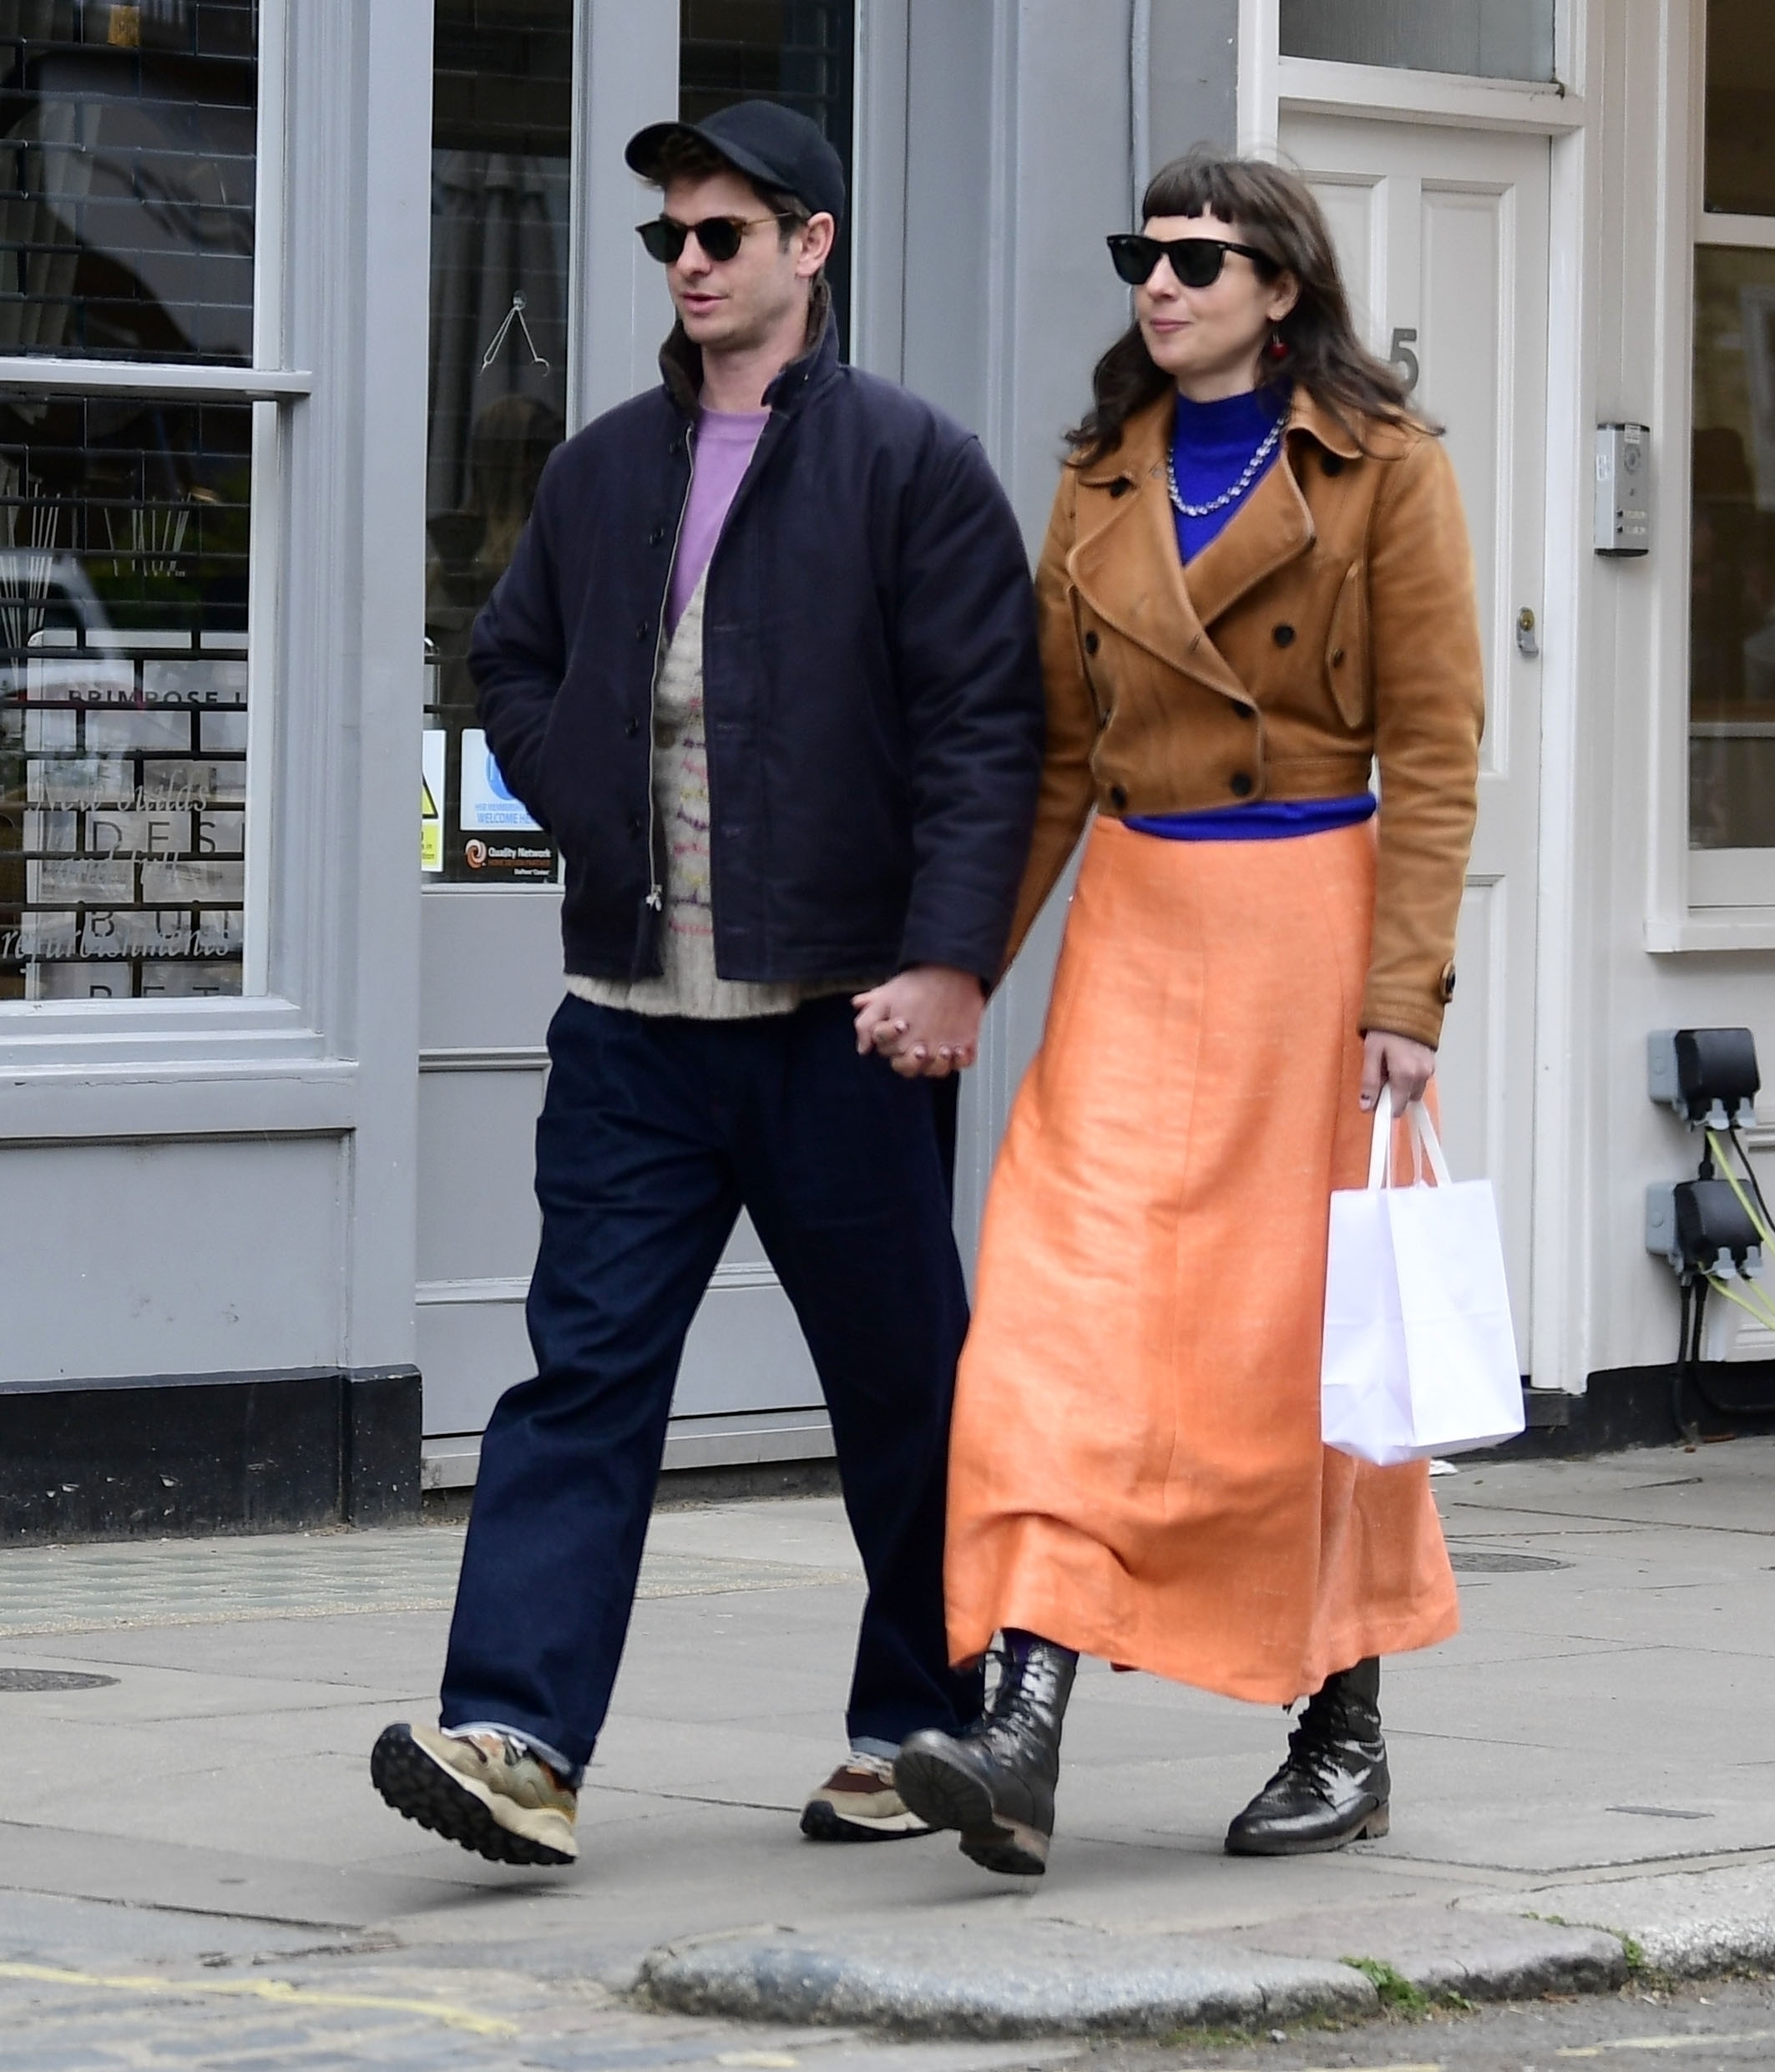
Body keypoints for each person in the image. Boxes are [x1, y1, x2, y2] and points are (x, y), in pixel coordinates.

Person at [370, 100, 1042, 1867]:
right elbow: (506, 657)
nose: (685, 261)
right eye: (668, 236)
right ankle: (515, 1737)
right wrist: (590, 800)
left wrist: (952, 957)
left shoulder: (911, 463)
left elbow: (990, 735)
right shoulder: (601, 468)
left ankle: (926, 1725)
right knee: (577, 1382)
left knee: (904, 1393)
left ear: (809, 246)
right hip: (631, 1032)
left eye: (720, 233)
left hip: (842, 1024)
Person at [889, 149, 1483, 1876]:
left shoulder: (1388, 471)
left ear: (1279, 288)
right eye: (1139, 255)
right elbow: (1060, 756)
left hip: (1312, 931)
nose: (1158, 285)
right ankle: (1023, 1727)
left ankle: (1342, 1725)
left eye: (1198, 260)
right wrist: (960, 964)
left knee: (1292, 1348)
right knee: (1061, 1317)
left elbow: (1435, 751)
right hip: (1138, 929)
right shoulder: (1100, 472)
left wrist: (1404, 999)